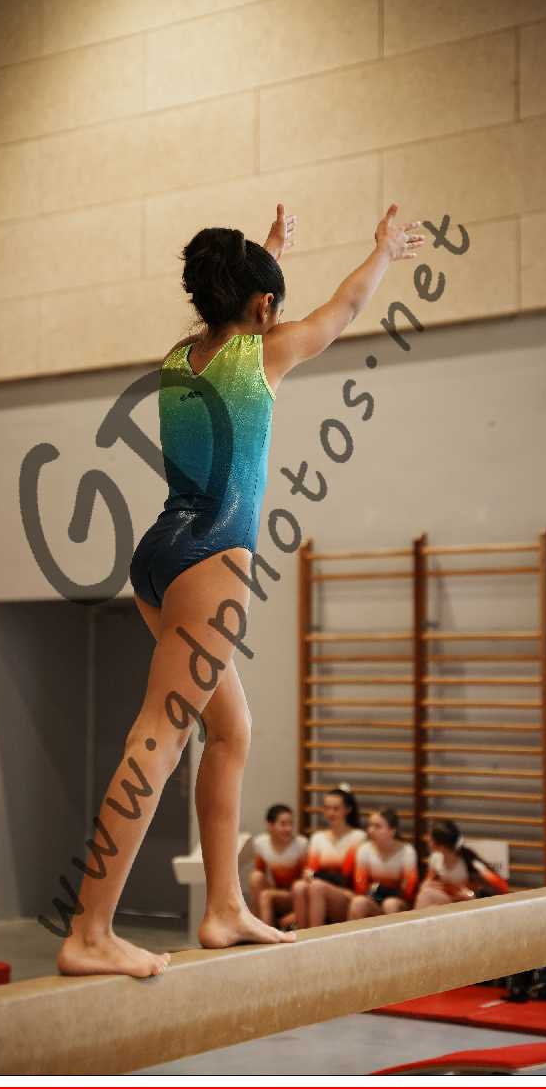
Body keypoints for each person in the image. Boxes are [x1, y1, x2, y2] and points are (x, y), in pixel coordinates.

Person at [57, 202, 424, 978]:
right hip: (213, 557)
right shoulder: (267, 352)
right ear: (262, 307)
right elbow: (347, 305)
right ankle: (90, 929)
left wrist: (267, 254)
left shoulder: (178, 359)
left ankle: (224, 906)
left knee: (231, 729)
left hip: (159, 556)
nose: (279, 318)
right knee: (160, 735)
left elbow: (245, 306)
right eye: (272, 305)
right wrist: (384, 251)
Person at [292, 787, 366, 928]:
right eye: (327, 808)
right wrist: (317, 876)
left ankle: (316, 936)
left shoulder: (358, 837)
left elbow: (347, 876)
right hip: (319, 891)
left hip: (347, 895)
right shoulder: (318, 838)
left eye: (336, 809)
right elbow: (308, 873)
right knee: (299, 886)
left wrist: (319, 877)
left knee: (317, 886)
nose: (331, 813)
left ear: (348, 810)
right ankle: (301, 934)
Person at [414, 819, 510, 909]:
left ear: (440, 845)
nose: (427, 839)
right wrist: (429, 885)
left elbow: (502, 887)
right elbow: (428, 881)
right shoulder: (436, 858)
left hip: (468, 902)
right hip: (448, 899)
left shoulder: (469, 863)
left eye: (430, 837)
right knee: (426, 894)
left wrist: (472, 895)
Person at [348, 807, 419, 918]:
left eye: (377, 826)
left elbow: (408, 890)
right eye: (370, 825)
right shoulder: (364, 849)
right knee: (358, 902)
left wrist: (388, 892)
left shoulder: (407, 851)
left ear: (392, 831)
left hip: (399, 904)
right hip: (374, 901)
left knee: (390, 904)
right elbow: (360, 886)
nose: (371, 830)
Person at [249, 804, 308, 929]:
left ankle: (267, 932)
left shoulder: (301, 844)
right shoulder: (261, 843)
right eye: (283, 824)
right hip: (277, 892)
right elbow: (260, 874)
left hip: (296, 894)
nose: (288, 828)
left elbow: (307, 882)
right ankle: (258, 926)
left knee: (266, 895)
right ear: (270, 825)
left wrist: (295, 914)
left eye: (291, 824)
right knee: (255, 877)